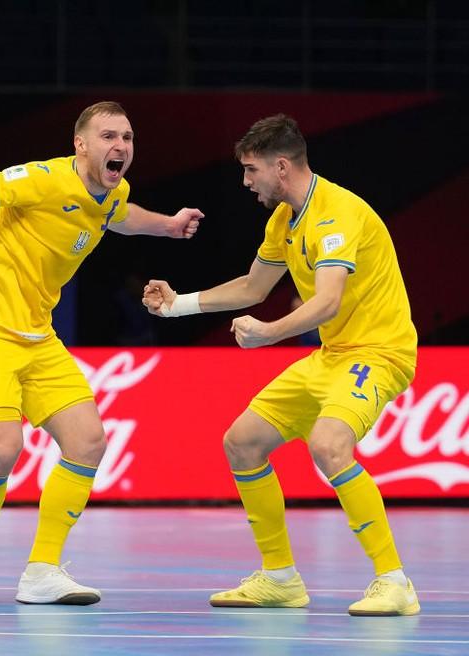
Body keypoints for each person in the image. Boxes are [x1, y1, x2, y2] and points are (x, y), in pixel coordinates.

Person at [0, 101, 202, 606]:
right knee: (1, 447)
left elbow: (121, 216)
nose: (120, 146)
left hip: (38, 335)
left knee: (87, 442)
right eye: (108, 136)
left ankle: (42, 569)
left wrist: (167, 225)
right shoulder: (39, 179)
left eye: (126, 137)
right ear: (80, 144)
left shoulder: (113, 190)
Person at [143, 114, 419, 616]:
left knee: (328, 444)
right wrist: (176, 304)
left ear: (282, 166)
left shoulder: (336, 214)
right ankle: (280, 578)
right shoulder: (282, 221)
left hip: (379, 353)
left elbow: (329, 300)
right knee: (242, 442)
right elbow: (252, 288)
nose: (246, 182)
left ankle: (394, 582)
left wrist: (268, 333)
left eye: (252, 171)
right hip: (332, 356)